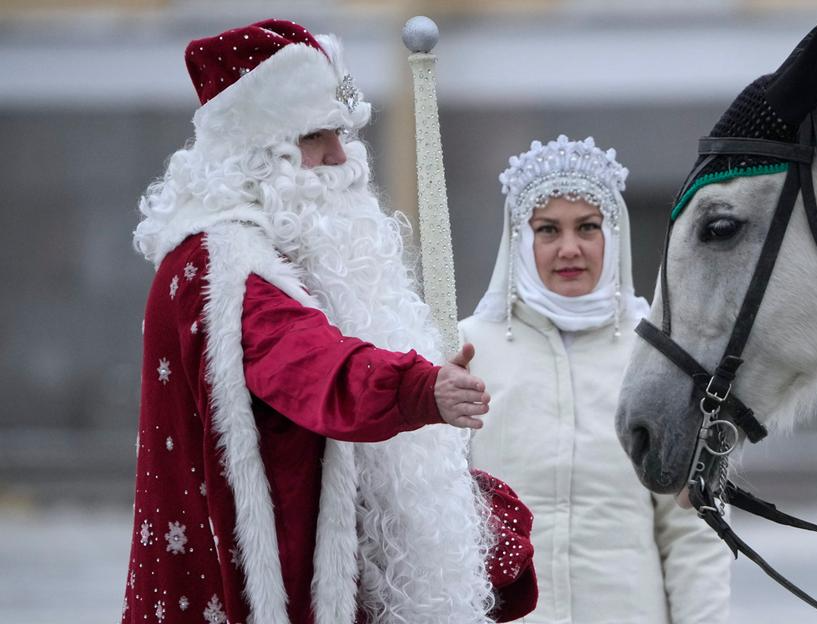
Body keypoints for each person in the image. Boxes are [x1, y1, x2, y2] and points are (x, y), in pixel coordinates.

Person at [124, 19, 536, 624]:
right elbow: (306, 364)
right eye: (319, 136)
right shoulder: (222, 266)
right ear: (257, 149)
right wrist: (420, 389)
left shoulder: (291, 252)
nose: (343, 158)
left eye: (343, 133)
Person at [461, 135, 732, 623]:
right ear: (521, 240)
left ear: (614, 234)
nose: (570, 248)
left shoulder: (660, 358)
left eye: (587, 227)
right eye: (548, 230)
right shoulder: (467, 353)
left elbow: (693, 531)